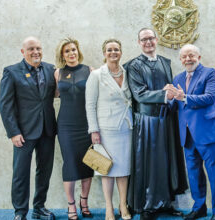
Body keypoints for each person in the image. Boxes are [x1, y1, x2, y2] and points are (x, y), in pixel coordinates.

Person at [124, 27, 188, 220]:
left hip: (166, 119)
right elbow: (139, 94)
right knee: (148, 163)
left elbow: (169, 87)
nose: (148, 42)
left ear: (157, 39)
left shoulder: (165, 63)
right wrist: (164, 93)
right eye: (144, 39)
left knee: (167, 161)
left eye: (151, 38)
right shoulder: (133, 65)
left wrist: (170, 90)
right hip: (147, 121)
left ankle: (166, 202)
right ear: (139, 43)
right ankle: (147, 205)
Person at [164, 44, 215, 220]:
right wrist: (168, 98)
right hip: (187, 135)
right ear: (180, 59)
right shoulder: (177, 78)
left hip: (208, 133)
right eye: (184, 56)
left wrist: (183, 97)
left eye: (191, 55)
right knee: (194, 174)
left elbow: (209, 97)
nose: (188, 59)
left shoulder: (209, 73)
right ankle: (199, 207)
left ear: (198, 57)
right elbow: (175, 105)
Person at [0, 36, 57, 220]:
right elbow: (5, 105)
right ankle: (20, 212)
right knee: (21, 173)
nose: (35, 52)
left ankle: (39, 207)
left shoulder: (50, 69)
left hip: (47, 129)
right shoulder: (12, 72)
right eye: (31, 49)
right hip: (23, 133)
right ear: (23, 52)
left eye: (38, 48)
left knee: (44, 170)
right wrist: (13, 132)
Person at [85, 39, 133, 220]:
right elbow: (90, 105)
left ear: (121, 52)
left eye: (117, 49)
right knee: (107, 169)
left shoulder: (128, 73)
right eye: (109, 50)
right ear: (104, 53)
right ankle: (108, 207)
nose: (113, 52)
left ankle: (123, 204)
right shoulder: (96, 75)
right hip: (105, 129)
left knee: (123, 168)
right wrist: (93, 130)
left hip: (126, 126)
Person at [54, 37, 94, 220]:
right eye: (67, 51)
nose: (71, 53)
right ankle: (71, 205)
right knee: (69, 163)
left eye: (73, 49)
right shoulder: (58, 73)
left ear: (78, 51)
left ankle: (84, 201)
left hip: (86, 124)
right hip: (66, 125)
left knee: (88, 163)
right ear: (62, 55)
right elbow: (54, 94)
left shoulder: (89, 71)